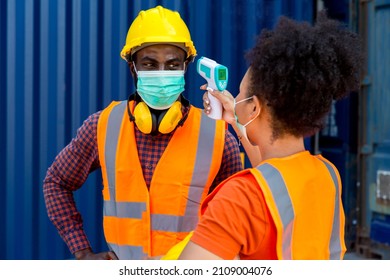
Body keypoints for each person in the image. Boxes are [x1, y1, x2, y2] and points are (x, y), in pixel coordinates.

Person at [42, 5, 243, 260]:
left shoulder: (218, 136)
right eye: (149, 64)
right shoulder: (102, 126)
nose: (162, 73)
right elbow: (56, 182)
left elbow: (239, 216)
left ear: (185, 67)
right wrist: (82, 253)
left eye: (172, 64)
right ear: (132, 68)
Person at [164, 12, 363, 260]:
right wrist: (235, 119)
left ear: (255, 108)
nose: (235, 100)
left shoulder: (240, 197)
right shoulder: (327, 174)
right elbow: (274, 177)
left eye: (239, 94)